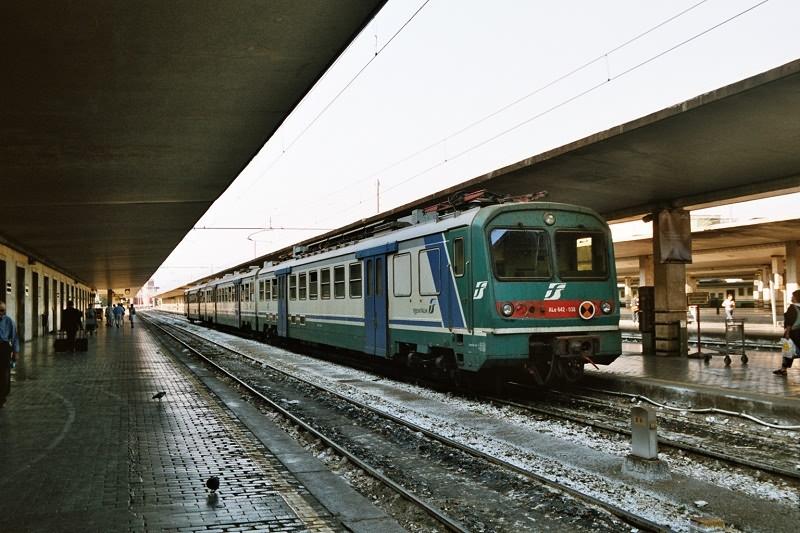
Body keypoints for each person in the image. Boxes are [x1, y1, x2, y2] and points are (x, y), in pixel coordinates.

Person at [774, 289, 800, 376]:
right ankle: (783, 369)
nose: (791, 297)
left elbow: (789, 322)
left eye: (793, 296)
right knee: (791, 351)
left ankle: (783, 369)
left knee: (787, 351)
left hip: (792, 333)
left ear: (796, 298)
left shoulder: (792, 308)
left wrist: (787, 333)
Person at [0, 302, 20, 408]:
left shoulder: (9, 321)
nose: (0, 313)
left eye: (2, 310)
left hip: (3, 348)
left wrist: (16, 352)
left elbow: (15, 337)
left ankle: (2, 397)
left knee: (4, 373)